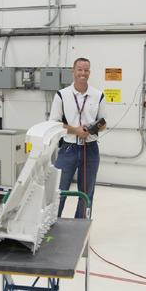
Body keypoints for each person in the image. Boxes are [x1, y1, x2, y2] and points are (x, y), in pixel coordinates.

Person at [49, 57, 105, 218]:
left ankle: (81, 226)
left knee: (87, 192)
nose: (83, 73)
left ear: (89, 72)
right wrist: (75, 130)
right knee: (59, 190)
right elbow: (54, 123)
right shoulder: (62, 95)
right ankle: (52, 223)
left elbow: (104, 123)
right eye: (79, 69)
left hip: (91, 150)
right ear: (73, 72)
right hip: (68, 149)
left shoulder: (98, 95)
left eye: (86, 70)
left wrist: (92, 129)